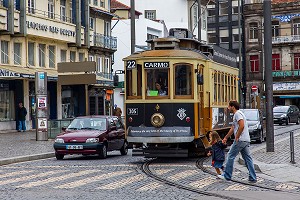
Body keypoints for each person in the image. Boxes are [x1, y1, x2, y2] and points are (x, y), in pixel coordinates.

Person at [218, 100, 257, 183]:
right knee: (247, 158)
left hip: (240, 139)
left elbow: (241, 125)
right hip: (245, 139)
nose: (228, 108)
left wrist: (237, 136)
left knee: (230, 155)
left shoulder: (237, 114)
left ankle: (227, 175)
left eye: (229, 106)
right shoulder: (239, 114)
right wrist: (225, 137)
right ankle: (252, 177)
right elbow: (233, 128)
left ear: (233, 107)